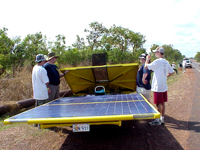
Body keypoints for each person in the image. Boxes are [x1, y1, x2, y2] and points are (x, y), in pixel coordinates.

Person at [145, 47, 174, 126]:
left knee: (158, 103)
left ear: (159, 52)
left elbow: (146, 67)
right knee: (162, 103)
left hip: (157, 86)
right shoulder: (166, 62)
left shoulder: (158, 61)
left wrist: (147, 59)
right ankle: (162, 118)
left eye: (156, 52)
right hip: (163, 86)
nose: (155, 53)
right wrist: (165, 77)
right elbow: (172, 72)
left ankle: (157, 120)